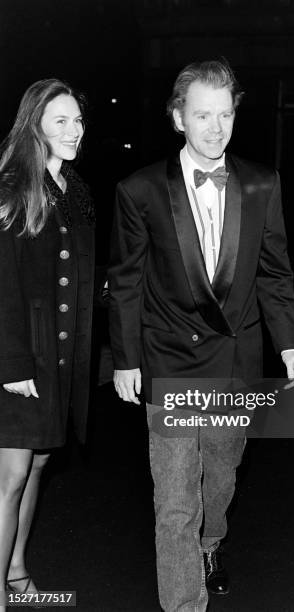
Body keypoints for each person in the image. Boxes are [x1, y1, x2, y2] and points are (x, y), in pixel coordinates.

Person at [108, 59, 294, 612]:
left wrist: (288, 343)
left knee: (219, 477)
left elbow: (274, 271)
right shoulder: (140, 190)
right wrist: (126, 360)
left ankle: (211, 542)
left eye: (225, 115)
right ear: (179, 118)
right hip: (170, 359)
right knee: (174, 502)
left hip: (236, 359)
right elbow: (125, 283)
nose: (216, 128)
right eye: (203, 116)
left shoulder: (262, 183)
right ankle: (184, 603)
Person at [0, 79, 95, 610]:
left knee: (36, 465)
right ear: (33, 124)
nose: (73, 130)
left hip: (56, 356)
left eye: (78, 121)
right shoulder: (13, 186)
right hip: (20, 355)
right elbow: (2, 283)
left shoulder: (73, 188)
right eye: (60, 120)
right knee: (10, 476)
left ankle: (16, 573)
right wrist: (11, 361)